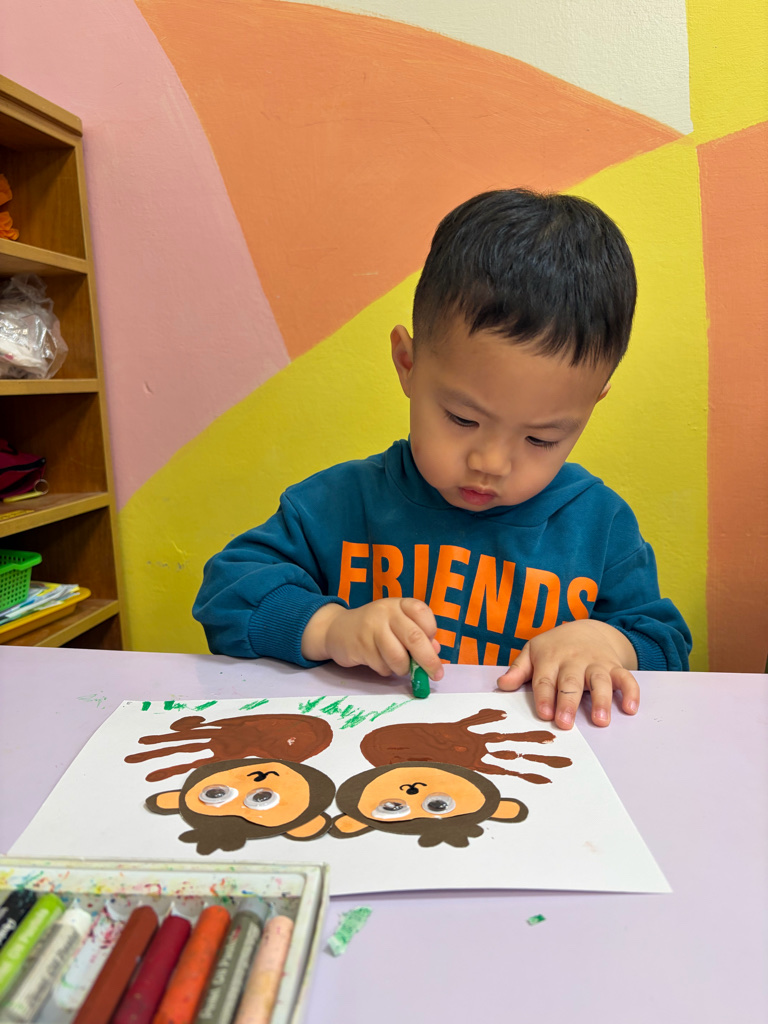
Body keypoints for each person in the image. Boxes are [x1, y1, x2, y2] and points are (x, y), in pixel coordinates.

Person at [193, 188, 691, 729]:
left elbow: (666, 646)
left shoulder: (599, 525)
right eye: (462, 419)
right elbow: (226, 594)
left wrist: (606, 642)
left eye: (540, 439)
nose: (491, 462)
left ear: (591, 406)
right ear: (407, 364)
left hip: (529, 762)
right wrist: (330, 629)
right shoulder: (338, 504)